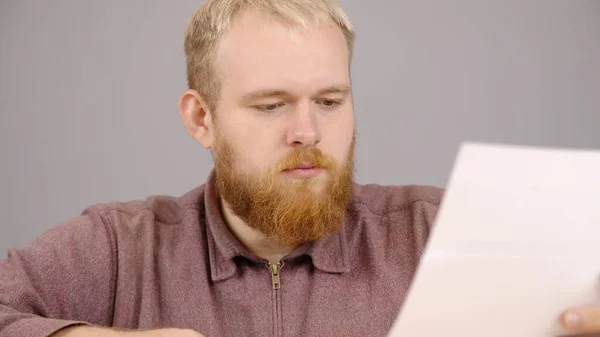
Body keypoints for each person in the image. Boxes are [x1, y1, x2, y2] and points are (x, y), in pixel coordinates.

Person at [0, 1, 598, 336]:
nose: (308, 132)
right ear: (201, 118)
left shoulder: (439, 230)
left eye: (331, 101)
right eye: (271, 105)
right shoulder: (120, 249)